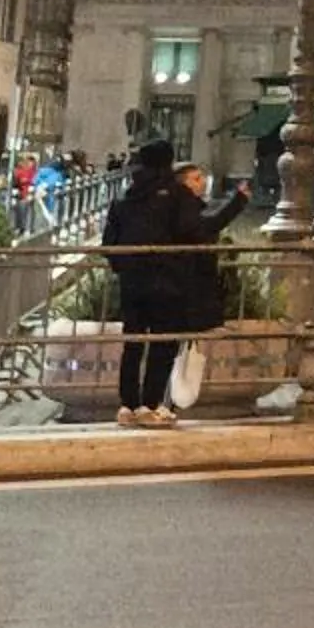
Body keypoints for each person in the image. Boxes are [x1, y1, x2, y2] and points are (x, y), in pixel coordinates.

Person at [101, 140, 249, 426]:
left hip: (132, 283)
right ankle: (151, 404)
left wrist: (125, 268)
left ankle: (127, 405)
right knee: (162, 344)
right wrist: (237, 202)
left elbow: (110, 243)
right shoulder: (176, 196)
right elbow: (198, 229)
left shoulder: (124, 199)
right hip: (168, 282)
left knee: (133, 343)